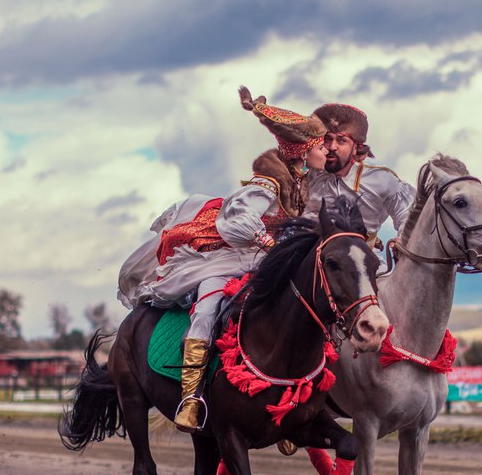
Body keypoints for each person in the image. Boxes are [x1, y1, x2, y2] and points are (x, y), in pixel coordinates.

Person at [116, 87, 326, 432]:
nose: (325, 151)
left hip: (270, 265)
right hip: (230, 260)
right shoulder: (267, 185)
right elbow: (234, 222)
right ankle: (190, 397)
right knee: (207, 310)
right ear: (304, 150)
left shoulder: (305, 184)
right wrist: (270, 243)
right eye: (320, 146)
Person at [303, 102, 414, 244]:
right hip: (306, 254)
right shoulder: (309, 172)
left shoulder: (381, 177)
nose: (332, 147)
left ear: (356, 147)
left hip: (360, 259)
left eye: (341, 141)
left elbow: (409, 212)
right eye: (327, 139)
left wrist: (403, 239)